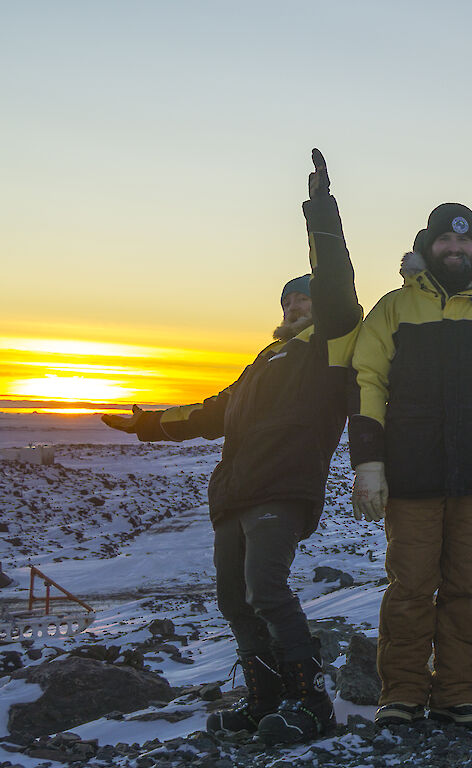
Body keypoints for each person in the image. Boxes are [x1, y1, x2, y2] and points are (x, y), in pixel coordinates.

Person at [101, 150, 356, 743]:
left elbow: (338, 281)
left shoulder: (331, 348)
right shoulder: (262, 363)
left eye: (306, 299)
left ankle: (309, 702)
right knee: (235, 600)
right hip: (236, 494)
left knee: (266, 588)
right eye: (289, 302)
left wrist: (320, 213)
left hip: (284, 490)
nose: (297, 307)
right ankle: (264, 700)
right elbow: (210, 413)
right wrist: (146, 424)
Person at [348, 200, 472, 729]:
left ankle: (461, 694)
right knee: (411, 587)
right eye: (445, 242)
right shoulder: (393, 308)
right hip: (411, 473)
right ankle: (403, 694)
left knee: (467, 587)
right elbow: (367, 381)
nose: (455, 250)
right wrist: (368, 463)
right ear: (427, 246)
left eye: (465, 243)